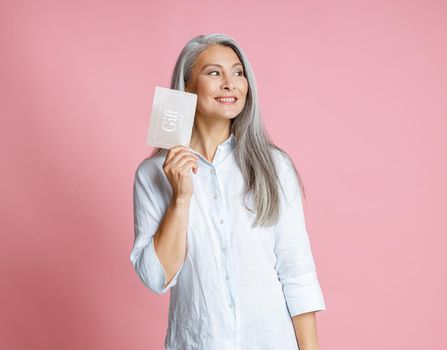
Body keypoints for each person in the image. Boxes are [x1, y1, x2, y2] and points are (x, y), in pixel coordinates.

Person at [130, 33, 326, 350]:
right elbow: (156, 279)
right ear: (187, 86)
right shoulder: (152, 174)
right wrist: (180, 199)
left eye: (238, 72)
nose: (230, 84)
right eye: (214, 73)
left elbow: (297, 271)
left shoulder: (273, 166)